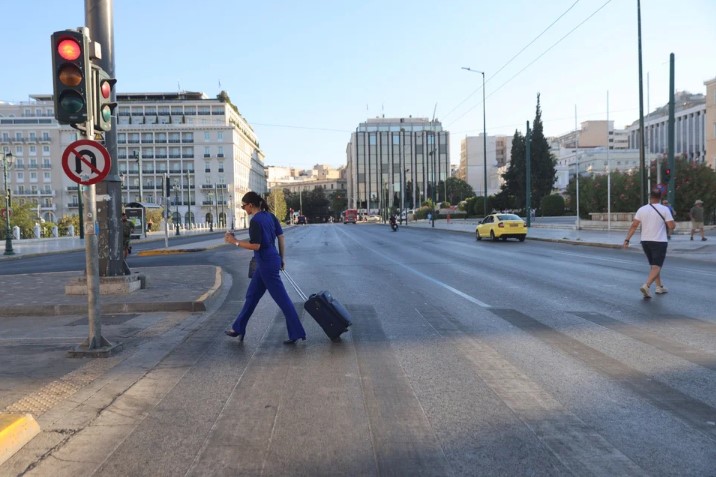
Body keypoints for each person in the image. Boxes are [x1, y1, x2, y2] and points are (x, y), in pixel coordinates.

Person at [224, 191, 306, 344]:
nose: (244, 209)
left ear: (250, 205)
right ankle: (238, 328)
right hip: (269, 261)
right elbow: (281, 237)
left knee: (283, 300)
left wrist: (234, 241)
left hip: (266, 264)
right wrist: (281, 258)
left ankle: (297, 332)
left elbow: (256, 245)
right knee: (251, 297)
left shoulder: (256, 221)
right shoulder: (270, 216)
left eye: (243, 206)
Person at [623, 191, 676, 298]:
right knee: (657, 266)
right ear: (660, 198)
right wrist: (673, 223)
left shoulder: (641, 209)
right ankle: (646, 286)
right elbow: (671, 226)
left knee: (654, 265)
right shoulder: (664, 209)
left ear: (650, 197)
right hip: (659, 241)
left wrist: (627, 239)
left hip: (645, 241)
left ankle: (659, 287)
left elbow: (634, 225)